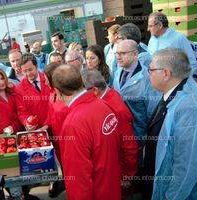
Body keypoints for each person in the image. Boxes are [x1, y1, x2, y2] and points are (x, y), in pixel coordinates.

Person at [52, 64, 136, 200]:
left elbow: (78, 181)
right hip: (112, 187)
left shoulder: (73, 124)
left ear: (57, 91)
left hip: (97, 192)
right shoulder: (104, 105)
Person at [144, 48, 197, 200]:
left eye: (150, 70)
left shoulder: (191, 108)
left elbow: (188, 165)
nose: (147, 74)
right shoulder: (172, 92)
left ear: (166, 74)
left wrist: (171, 197)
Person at [81, 68, 139, 198]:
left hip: (117, 172)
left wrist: (126, 175)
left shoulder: (116, 109)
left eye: (83, 90)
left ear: (95, 90)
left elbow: (130, 146)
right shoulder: (108, 95)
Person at [113, 40, 161, 166]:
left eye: (123, 53)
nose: (118, 56)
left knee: (139, 173)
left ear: (135, 54)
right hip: (121, 138)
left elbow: (153, 113)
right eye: (117, 53)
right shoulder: (117, 73)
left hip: (139, 139)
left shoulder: (147, 78)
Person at [43, 62, 68, 198]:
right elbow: (50, 116)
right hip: (58, 142)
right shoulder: (52, 93)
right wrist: (45, 126)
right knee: (64, 168)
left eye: (46, 78)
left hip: (68, 142)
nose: (45, 81)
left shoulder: (66, 96)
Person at [15, 53, 51, 130]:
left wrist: (48, 123)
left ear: (37, 66)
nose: (28, 73)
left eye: (30, 69)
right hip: (37, 130)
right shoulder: (19, 89)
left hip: (54, 124)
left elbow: (56, 104)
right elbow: (22, 112)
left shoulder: (48, 79)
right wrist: (27, 122)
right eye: (25, 71)